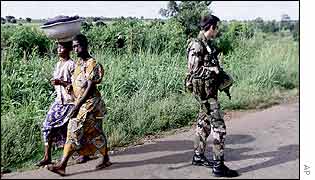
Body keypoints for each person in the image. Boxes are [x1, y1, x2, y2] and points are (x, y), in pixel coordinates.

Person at [47, 34, 111, 176]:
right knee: (95, 132)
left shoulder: (92, 64)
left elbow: (89, 89)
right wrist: (69, 86)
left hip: (89, 104)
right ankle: (106, 158)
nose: (76, 49)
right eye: (74, 46)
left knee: (73, 129)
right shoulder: (78, 64)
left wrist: (77, 106)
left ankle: (62, 165)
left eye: (78, 45)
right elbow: (77, 84)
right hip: (80, 103)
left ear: (85, 45)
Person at [185, 14, 238, 177]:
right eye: (217, 27)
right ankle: (218, 165)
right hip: (205, 95)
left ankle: (198, 156)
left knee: (204, 123)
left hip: (209, 92)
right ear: (212, 27)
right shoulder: (197, 45)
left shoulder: (207, 44)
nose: (218, 30)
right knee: (219, 128)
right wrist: (211, 70)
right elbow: (193, 71)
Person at [36, 41, 75, 167]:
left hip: (70, 103)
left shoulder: (72, 65)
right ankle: (47, 157)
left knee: (69, 130)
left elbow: (77, 86)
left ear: (69, 49)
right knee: (47, 126)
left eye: (62, 47)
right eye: (58, 47)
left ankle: (81, 154)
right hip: (59, 101)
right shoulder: (58, 64)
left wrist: (62, 83)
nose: (59, 50)